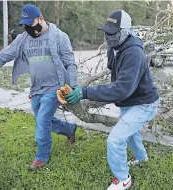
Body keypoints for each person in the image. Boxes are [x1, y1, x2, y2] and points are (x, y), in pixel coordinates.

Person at [0, 4, 78, 170]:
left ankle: (41, 157)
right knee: (45, 120)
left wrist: (73, 86)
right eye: (26, 25)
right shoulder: (23, 39)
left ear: (41, 18)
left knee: (43, 120)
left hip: (55, 88)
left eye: (31, 23)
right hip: (36, 89)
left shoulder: (59, 36)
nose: (29, 27)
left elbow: (70, 63)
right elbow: (3, 55)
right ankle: (70, 129)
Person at [65, 10, 160, 190]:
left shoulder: (133, 53)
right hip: (131, 102)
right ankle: (142, 158)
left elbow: (122, 88)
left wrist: (84, 92)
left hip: (144, 104)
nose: (108, 36)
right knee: (131, 133)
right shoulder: (116, 46)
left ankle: (123, 179)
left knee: (115, 140)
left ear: (125, 31)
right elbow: (112, 67)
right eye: (106, 32)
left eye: (112, 33)